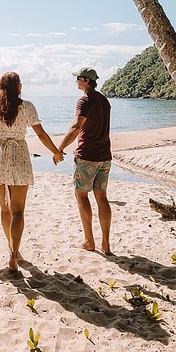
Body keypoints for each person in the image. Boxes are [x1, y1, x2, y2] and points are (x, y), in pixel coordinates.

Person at [0, 72, 63, 272]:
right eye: (20, 83)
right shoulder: (27, 107)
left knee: (5, 209)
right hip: (19, 153)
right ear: (17, 86)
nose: (22, 85)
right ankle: (13, 254)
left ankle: (12, 249)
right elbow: (41, 134)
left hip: (0, 154)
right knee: (18, 210)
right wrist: (55, 151)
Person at [57, 68, 112, 255]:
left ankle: (89, 241)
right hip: (105, 156)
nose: (76, 82)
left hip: (88, 155)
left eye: (78, 79)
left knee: (81, 195)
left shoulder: (84, 100)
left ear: (86, 80)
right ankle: (106, 244)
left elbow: (75, 127)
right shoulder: (104, 100)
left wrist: (59, 148)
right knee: (102, 197)